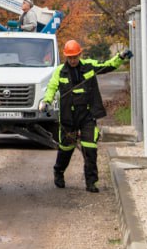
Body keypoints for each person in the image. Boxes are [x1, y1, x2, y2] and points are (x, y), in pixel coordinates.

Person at [38, 40, 131, 192]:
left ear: (80, 54)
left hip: (87, 114)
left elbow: (107, 65)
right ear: (66, 57)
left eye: (75, 57)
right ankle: (59, 172)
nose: (73, 60)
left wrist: (120, 57)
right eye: (70, 57)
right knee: (66, 147)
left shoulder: (89, 65)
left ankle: (91, 182)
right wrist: (46, 101)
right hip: (68, 116)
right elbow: (52, 88)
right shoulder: (60, 71)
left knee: (90, 147)